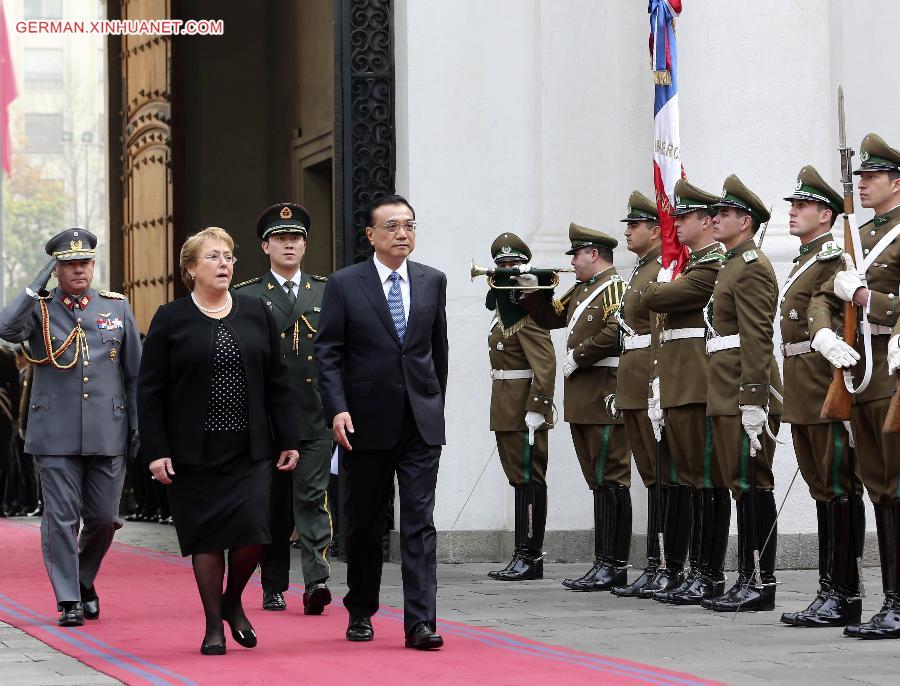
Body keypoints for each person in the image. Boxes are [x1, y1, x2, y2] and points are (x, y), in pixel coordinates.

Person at [138, 227, 300, 655]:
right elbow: (149, 390)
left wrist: (289, 438)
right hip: (194, 454)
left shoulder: (256, 312)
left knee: (254, 533)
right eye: (213, 257)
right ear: (191, 268)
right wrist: (156, 451)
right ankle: (213, 624)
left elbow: (278, 382)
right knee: (207, 539)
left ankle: (232, 602)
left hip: (250, 449)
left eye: (229, 256)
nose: (225, 263)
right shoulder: (170, 318)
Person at [315, 194, 448, 650]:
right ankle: (361, 609)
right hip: (363, 423)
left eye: (409, 225)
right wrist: (336, 407)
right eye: (391, 226)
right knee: (365, 523)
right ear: (371, 235)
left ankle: (420, 622)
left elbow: (437, 352)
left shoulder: (433, 281)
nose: (402, 234)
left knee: (419, 521)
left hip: (419, 425)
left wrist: (432, 403)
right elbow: (328, 352)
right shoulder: (345, 284)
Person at [0, 228, 140, 627]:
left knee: (102, 518)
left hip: (107, 429)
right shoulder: (40, 310)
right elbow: (7, 330)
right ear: (56, 269)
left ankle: (81, 578)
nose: (79, 270)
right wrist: (34, 285)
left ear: (94, 265)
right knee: (61, 517)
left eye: (85, 262)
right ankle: (68, 599)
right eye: (69, 264)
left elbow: (135, 375)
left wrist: (138, 427)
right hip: (55, 432)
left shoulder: (116, 308)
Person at [809, 133, 900, 639]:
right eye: (860, 177)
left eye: (872, 177)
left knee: (896, 484)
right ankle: (890, 600)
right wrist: (823, 331)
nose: (862, 184)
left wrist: (866, 295)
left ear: (896, 182)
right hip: (859, 374)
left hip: (892, 371)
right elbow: (824, 294)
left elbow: (879, 300)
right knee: (879, 487)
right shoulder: (858, 237)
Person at [517, 223, 630, 592]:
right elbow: (552, 318)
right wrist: (536, 289)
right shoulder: (583, 288)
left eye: (576, 256)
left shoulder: (614, 286)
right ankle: (602, 561)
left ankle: (614, 563)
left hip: (603, 391)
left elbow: (616, 331)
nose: (574, 263)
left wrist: (578, 357)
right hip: (583, 396)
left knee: (611, 477)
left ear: (593, 254)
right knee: (597, 481)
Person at [234, 202, 334, 615]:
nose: (289, 244)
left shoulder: (327, 290)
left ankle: (316, 581)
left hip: (313, 415)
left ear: (306, 245)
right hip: (269, 421)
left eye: (296, 238)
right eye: (281, 238)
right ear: (266, 246)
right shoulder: (246, 294)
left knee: (311, 499)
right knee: (272, 506)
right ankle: (272, 585)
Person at [776, 166, 863, 628]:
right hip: (801, 382)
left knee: (839, 486)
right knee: (821, 488)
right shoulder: (805, 259)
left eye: (802, 205)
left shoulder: (833, 257)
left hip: (823, 379)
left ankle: (844, 592)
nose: (793, 212)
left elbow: (834, 312)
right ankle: (828, 588)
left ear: (825, 214)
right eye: (793, 205)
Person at [640, 180, 729, 605]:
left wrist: (660, 282)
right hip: (679, 384)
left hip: (697, 385)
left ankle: (708, 573)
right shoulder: (693, 264)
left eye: (684, 216)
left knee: (706, 481)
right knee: (692, 482)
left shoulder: (712, 265)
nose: (675, 222)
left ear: (707, 222)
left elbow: (654, 299)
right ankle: (693, 570)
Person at [700, 176, 783, 613]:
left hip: (743, 390)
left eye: (724, 214)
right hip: (725, 387)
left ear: (744, 221)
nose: (715, 220)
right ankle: (746, 577)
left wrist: (754, 398)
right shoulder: (732, 263)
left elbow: (757, 336)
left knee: (753, 484)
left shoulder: (751, 266)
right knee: (739, 485)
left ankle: (760, 580)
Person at [483, 232, 555, 581]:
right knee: (519, 480)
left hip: (524, 409)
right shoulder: (503, 311)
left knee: (530, 479)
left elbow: (545, 363)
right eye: (502, 265)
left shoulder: (527, 310)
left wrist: (538, 408)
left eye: (513, 265)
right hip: (506, 407)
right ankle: (522, 553)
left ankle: (531, 556)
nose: (507, 270)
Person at [606, 192, 666, 598]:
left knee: (663, 475)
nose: (627, 231)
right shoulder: (643, 268)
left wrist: (653, 385)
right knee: (651, 476)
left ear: (656, 230)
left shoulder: (662, 267)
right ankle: (655, 564)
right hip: (632, 379)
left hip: (648, 378)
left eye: (635, 225)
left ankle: (663, 563)